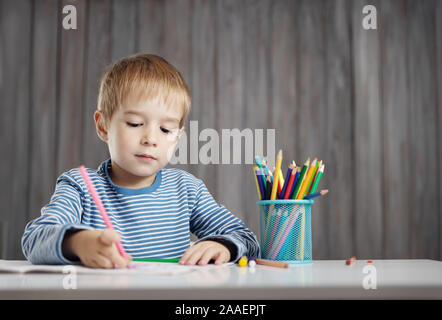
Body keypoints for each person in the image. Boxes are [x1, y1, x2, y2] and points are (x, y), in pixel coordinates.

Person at [22, 53, 260, 268]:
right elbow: (35, 239)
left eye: (166, 129)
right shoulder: (80, 187)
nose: (150, 139)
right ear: (103, 126)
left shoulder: (187, 190)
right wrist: (77, 243)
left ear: (178, 137)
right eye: (135, 124)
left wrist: (223, 246)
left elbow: (246, 239)